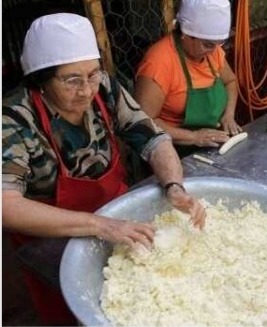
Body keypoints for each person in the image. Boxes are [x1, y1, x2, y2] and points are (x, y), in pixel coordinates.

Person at [2, 13, 206, 325]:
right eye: (71, 80)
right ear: (41, 78)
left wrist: (173, 186)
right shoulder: (14, 120)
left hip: (116, 213)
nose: (86, 90)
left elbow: (153, 138)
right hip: (51, 235)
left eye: (93, 74)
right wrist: (101, 226)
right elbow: (6, 206)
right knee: (72, 310)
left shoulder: (103, 89)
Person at [134, 0, 242, 156]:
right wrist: (194, 137)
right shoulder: (158, 62)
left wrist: (229, 115)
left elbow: (230, 82)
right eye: (208, 45)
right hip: (171, 149)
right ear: (186, 34)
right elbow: (144, 122)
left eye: (219, 44)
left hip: (211, 141)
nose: (214, 51)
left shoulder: (213, 52)